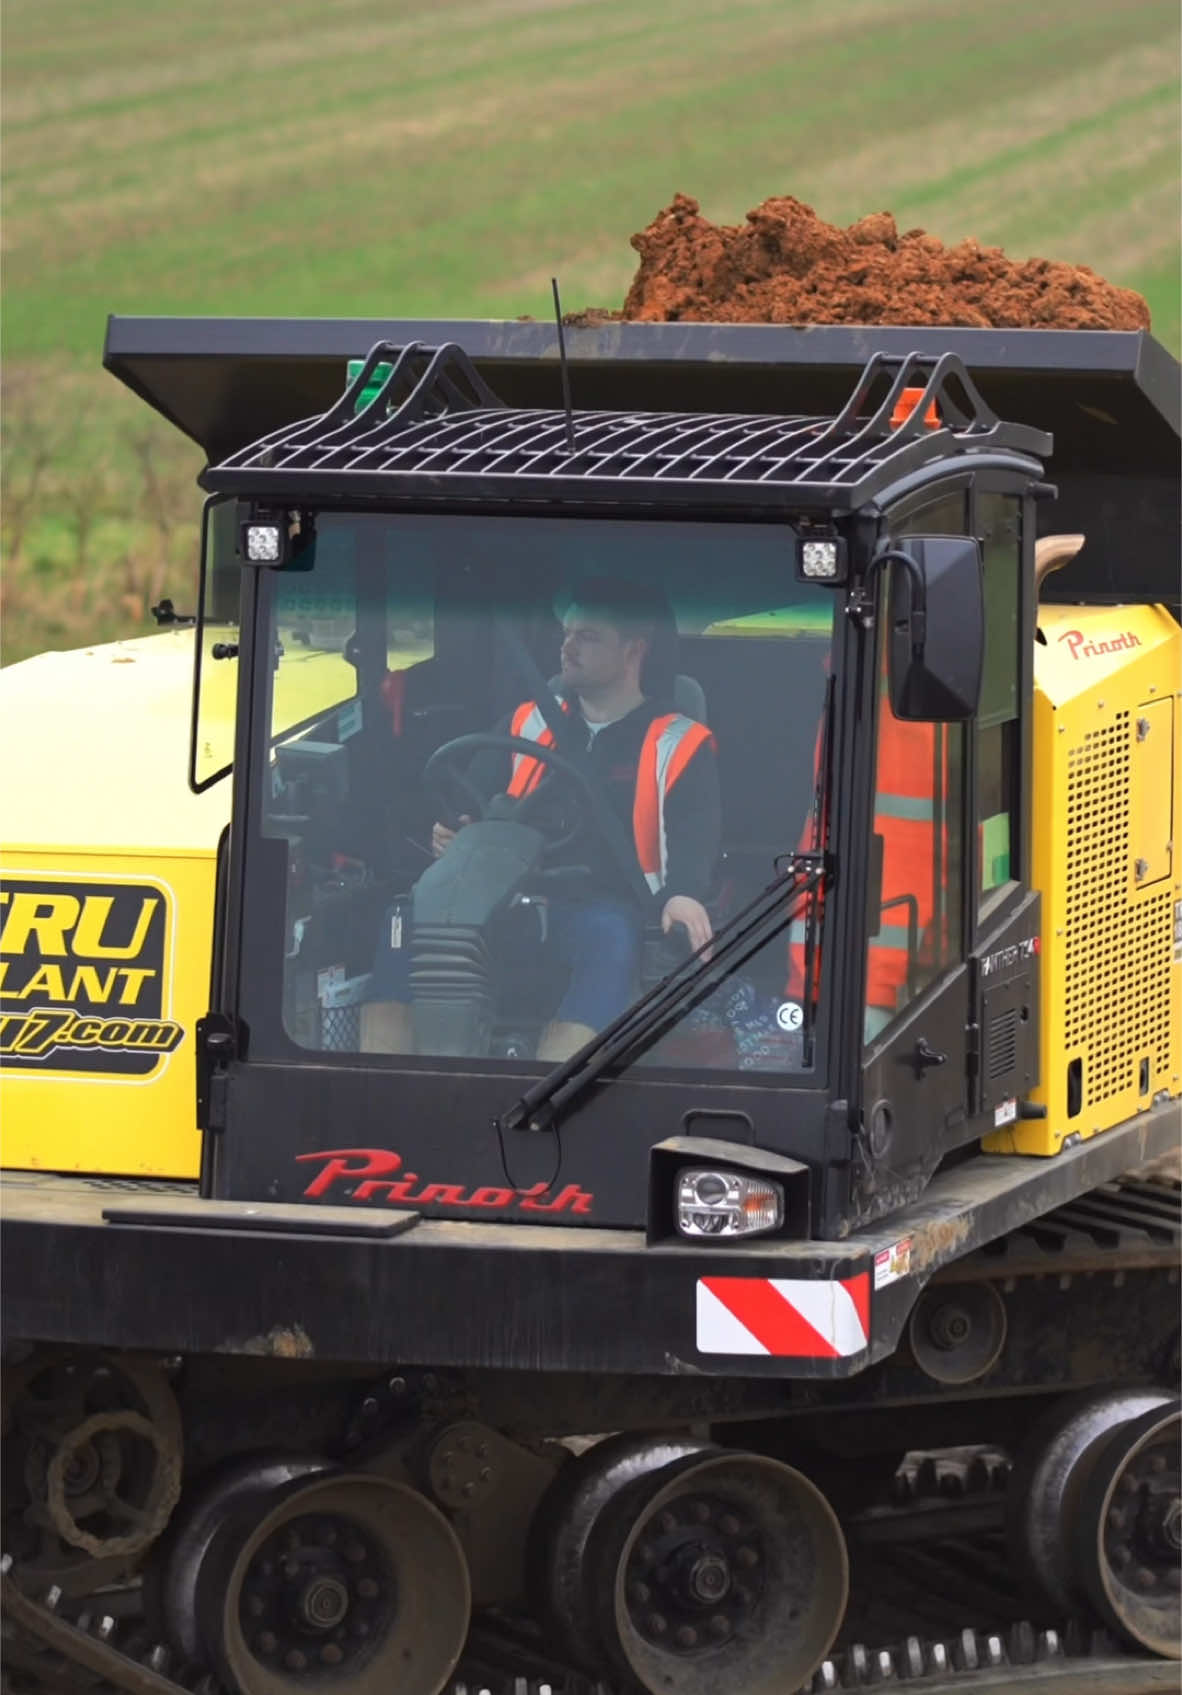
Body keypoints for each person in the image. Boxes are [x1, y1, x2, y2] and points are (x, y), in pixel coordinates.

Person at [361, 580, 721, 1061]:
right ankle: (390, 1080)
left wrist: (683, 894)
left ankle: (550, 1093)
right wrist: (452, 832)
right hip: (501, 899)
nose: (567, 647)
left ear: (634, 650)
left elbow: (695, 838)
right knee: (404, 919)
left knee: (610, 937)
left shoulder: (681, 742)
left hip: (602, 906)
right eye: (567, 633)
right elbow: (465, 801)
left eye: (587, 637)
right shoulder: (527, 720)